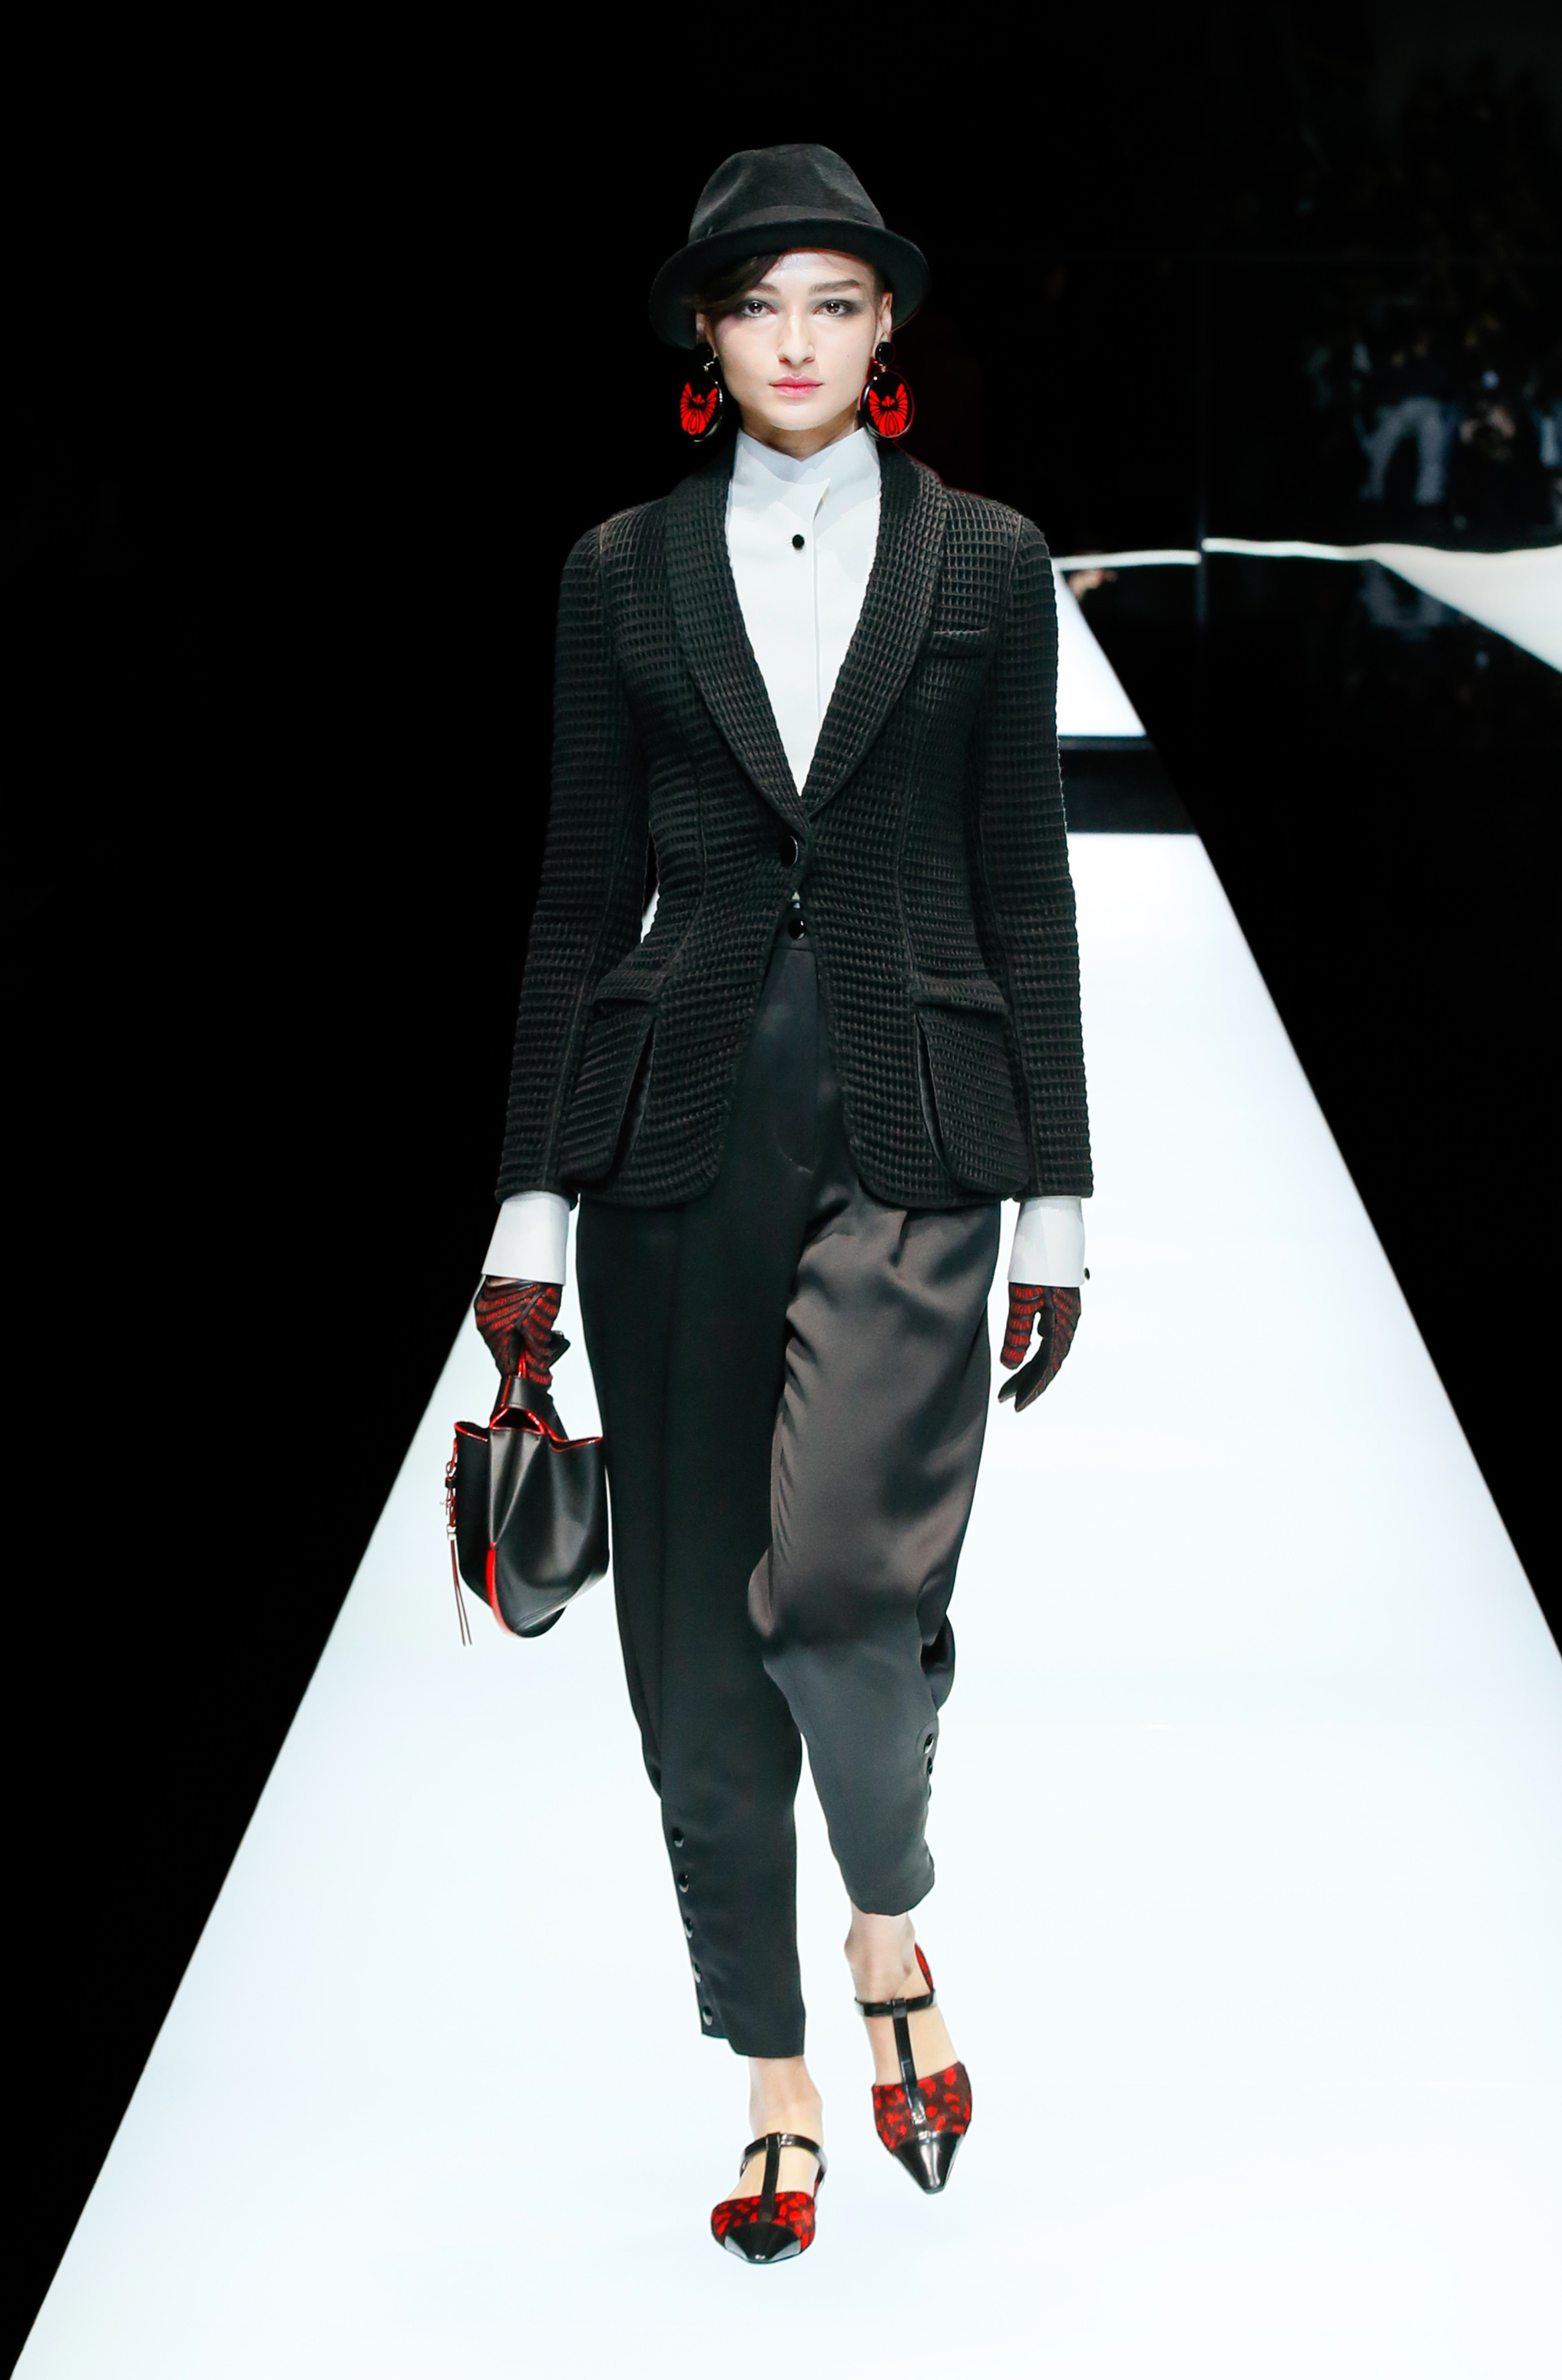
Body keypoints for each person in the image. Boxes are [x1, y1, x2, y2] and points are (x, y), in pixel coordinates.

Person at [474, 144, 1091, 2264]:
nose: (800, 340)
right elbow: (579, 890)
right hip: (674, 1130)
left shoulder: (990, 561)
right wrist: (525, 1212)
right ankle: (771, 2069)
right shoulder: (617, 571)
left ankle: (888, 1924)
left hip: (919, 1124)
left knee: (836, 1595)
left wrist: (1062, 1194)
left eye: (837, 301)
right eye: (761, 305)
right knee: (686, 1659)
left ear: (887, 326)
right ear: (707, 335)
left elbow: (1025, 877)